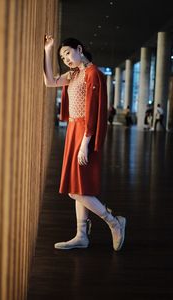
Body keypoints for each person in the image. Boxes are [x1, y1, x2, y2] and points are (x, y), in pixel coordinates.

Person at [44, 35, 126, 251]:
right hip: (74, 131)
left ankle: (114, 222)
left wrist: (84, 143)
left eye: (68, 53)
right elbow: (50, 81)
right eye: (62, 57)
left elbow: (92, 112)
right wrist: (48, 50)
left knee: (76, 190)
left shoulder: (93, 74)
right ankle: (81, 235)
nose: (66, 59)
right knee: (77, 186)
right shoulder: (74, 74)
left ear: (79, 49)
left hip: (84, 134)